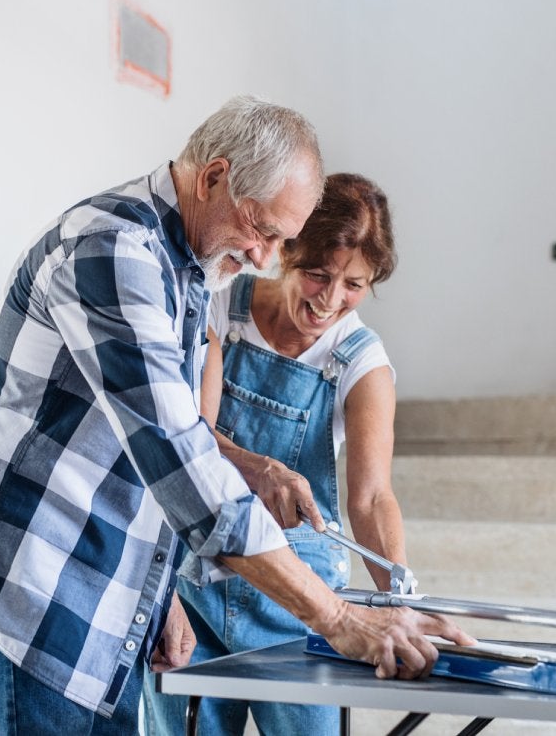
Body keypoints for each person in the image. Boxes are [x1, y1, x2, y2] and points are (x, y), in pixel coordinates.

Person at [0, 97, 472, 735]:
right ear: (213, 178)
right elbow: (181, 461)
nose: (265, 259)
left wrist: (161, 583)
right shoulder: (114, 251)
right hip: (45, 572)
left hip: (112, 578)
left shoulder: (189, 264)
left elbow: (167, 438)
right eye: (264, 231)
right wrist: (340, 619)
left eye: (281, 241)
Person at [143, 173, 411, 736]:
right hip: (196, 591)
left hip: (300, 608)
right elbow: (191, 437)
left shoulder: (362, 362)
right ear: (287, 250)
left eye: (354, 284)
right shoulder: (219, 308)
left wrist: (398, 599)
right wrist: (260, 467)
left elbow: (370, 498)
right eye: (318, 274)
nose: (330, 300)